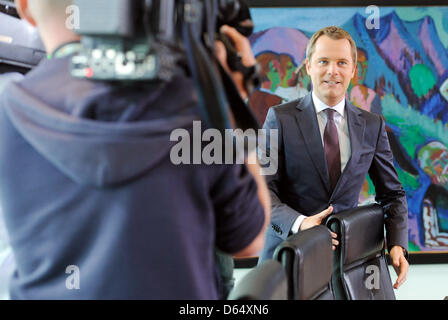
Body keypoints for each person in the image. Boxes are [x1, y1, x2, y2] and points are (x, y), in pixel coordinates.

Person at [0, 0, 270, 299]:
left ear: (24, 8)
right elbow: (248, 238)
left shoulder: (8, 108)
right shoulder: (194, 104)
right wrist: (229, 101)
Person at [258, 26, 409, 290]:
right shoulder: (279, 118)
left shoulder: (372, 126)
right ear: (308, 66)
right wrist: (300, 222)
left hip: (346, 270)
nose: (332, 71)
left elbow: (392, 194)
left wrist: (397, 243)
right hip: (287, 261)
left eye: (342, 63)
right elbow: (260, 189)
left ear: (353, 70)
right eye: (323, 62)